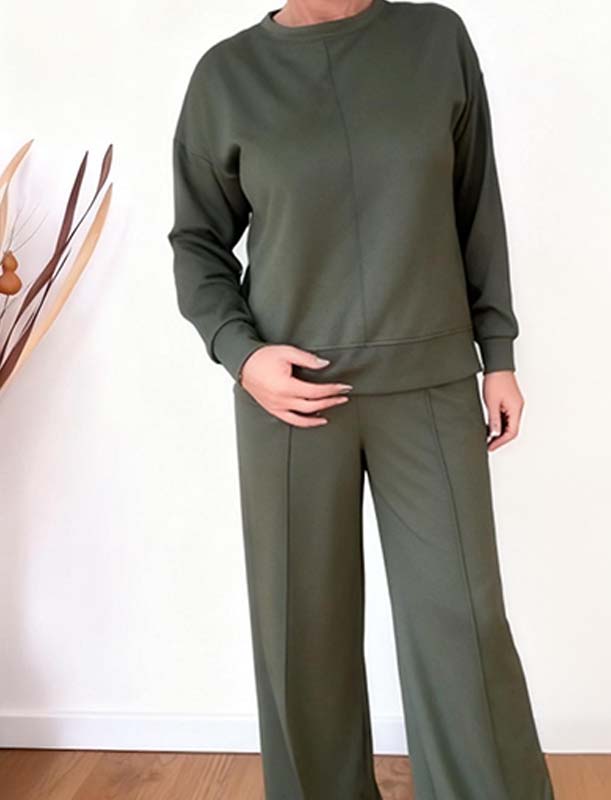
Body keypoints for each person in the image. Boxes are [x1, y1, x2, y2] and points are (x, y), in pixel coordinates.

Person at [167, 0, 555, 797]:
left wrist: (498, 353)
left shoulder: (435, 39)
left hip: (430, 383)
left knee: (462, 625)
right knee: (302, 633)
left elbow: (476, 205)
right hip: (290, 399)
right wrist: (243, 356)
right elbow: (197, 243)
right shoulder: (226, 77)